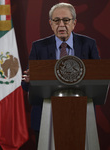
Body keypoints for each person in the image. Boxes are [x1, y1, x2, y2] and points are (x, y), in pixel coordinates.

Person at [22, 2, 100, 144]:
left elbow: (99, 78)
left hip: (81, 114)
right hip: (46, 115)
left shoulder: (88, 45)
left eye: (66, 20)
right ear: (51, 24)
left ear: (74, 23)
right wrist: (29, 81)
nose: (61, 24)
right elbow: (26, 85)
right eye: (56, 20)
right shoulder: (39, 47)